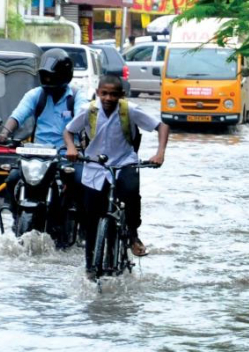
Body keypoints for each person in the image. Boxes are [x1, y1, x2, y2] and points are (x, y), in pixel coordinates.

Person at [63, 75, 169, 274]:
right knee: (91, 217)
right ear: (98, 93)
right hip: (95, 166)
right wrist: (71, 148)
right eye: (104, 93)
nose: (108, 98)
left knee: (130, 191)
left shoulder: (130, 110)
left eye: (113, 94)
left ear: (121, 95)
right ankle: (90, 267)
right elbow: (68, 131)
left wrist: (160, 153)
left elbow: (162, 126)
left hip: (123, 163)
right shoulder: (88, 111)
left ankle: (132, 234)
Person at [0, 48, 89, 225]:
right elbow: (18, 115)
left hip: (67, 156)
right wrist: (5, 133)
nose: (48, 80)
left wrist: (80, 143)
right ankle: (16, 217)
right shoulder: (36, 95)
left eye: (52, 75)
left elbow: (82, 117)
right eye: (45, 75)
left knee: (82, 182)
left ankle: (82, 226)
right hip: (37, 156)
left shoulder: (76, 96)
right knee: (13, 179)